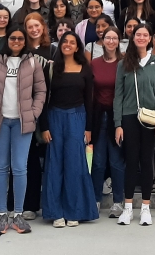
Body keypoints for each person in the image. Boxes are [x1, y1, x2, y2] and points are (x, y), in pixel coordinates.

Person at [0, 27, 47, 235]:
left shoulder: (32, 63)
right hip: (0, 122)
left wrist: (34, 113)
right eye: (12, 38)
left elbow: (41, 90)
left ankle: (18, 214)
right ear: (7, 40)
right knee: (1, 169)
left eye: (20, 38)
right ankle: (1, 216)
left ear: (24, 41)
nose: (16, 41)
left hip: (21, 123)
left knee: (20, 168)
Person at [40, 32, 98, 227]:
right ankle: (55, 212)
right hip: (55, 117)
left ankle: (75, 211)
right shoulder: (51, 68)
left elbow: (90, 101)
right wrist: (44, 126)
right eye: (65, 41)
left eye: (72, 42)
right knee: (55, 165)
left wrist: (89, 128)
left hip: (77, 117)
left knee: (75, 165)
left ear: (77, 47)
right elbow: (42, 99)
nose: (68, 45)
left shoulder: (85, 69)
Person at [114, 24, 155, 226]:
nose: (142, 38)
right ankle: (128, 208)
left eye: (146, 35)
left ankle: (145, 208)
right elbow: (118, 95)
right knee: (130, 161)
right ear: (132, 37)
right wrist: (118, 124)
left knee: (147, 162)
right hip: (129, 117)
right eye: (139, 34)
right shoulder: (124, 64)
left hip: (150, 118)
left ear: (150, 38)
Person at [14, 12, 50, 218]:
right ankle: (29, 204)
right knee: (28, 160)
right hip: (23, 110)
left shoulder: (52, 50)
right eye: (30, 27)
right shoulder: (20, 51)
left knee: (50, 158)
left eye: (37, 25)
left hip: (47, 109)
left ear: (43, 27)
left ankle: (50, 202)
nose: (34, 29)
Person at [90, 27, 127, 218]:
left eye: (114, 38)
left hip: (117, 117)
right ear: (102, 41)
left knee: (116, 161)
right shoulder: (94, 63)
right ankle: (95, 199)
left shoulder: (124, 63)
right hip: (98, 117)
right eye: (108, 38)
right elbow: (90, 92)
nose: (111, 41)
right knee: (97, 161)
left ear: (119, 41)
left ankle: (118, 202)